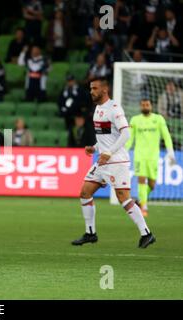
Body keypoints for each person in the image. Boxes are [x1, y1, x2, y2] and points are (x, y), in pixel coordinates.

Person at [72, 77, 155, 248]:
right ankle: (90, 233)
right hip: (103, 161)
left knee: (123, 198)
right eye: (90, 88)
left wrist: (108, 153)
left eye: (94, 88)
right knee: (85, 193)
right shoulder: (98, 109)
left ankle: (146, 234)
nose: (91, 91)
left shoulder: (114, 109)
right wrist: (94, 149)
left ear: (104, 90)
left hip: (116, 161)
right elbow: (107, 138)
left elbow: (126, 134)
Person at [126, 98, 176, 217]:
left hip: (153, 156)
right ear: (140, 107)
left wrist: (170, 152)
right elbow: (129, 139)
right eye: (143, 105)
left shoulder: (158, 119)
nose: (145, 106)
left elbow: (166, 136)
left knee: (152, 185)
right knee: (141, 179)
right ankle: (144, 207)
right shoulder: (135, 120)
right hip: (139, 155)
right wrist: (124, 151)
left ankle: (140, 200)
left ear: (151, 106)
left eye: (147, 104)